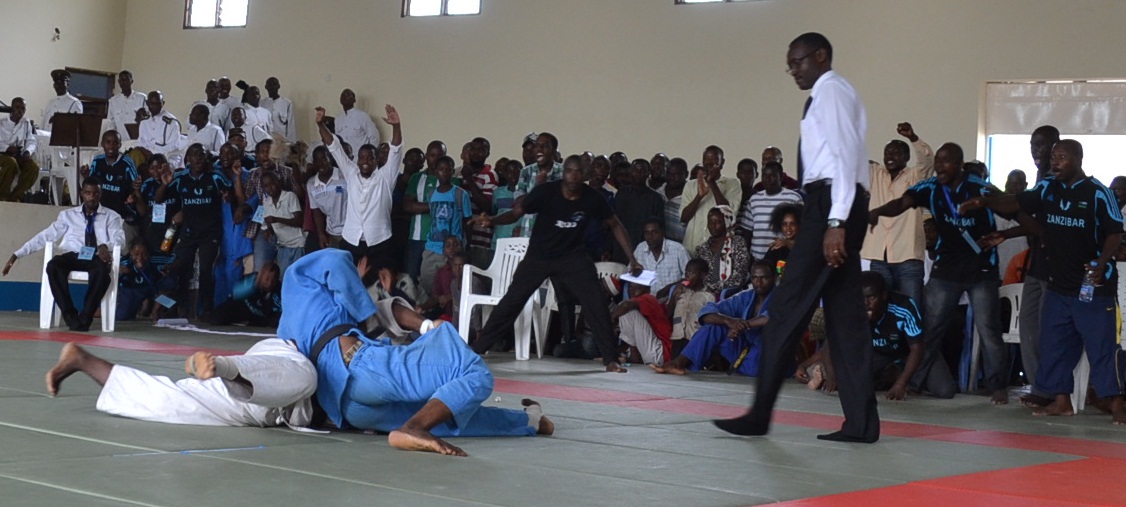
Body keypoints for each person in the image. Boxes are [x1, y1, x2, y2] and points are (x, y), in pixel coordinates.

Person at [714, 33, 877, 443]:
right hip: (837, 204)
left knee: (785, 311)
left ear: (821, 56)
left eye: (798, 62)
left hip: (832, 205)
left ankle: (759, 415)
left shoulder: (832, 92)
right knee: (846, 321)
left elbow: (842, 158)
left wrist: (836, 221)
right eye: (790, 65)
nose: (793, 71)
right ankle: (861, 424)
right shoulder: (833, 93)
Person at [279, 249, 554, 456]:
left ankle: (530, 420)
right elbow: (338, 263)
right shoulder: (299, 273)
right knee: (474, 371)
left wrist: (423, 324)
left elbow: (385, 312)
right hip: (360, 365)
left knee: (445, 414)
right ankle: (411, 429)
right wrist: (360, 296)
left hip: (346, 408)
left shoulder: (295, 320)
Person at [962, 139, 1126, 425]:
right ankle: (1061, 401)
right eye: (1053, 158)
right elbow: (1017, 205)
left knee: (1102, 348)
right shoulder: (1047, 188)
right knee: (1054, 346)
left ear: (1077, 159)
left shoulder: (1099, 193)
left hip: (1094, 287)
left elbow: (1114, 233)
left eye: (1061, 157)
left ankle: (1117, 404)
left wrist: (1102, 263)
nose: (1055, 163)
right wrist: (986, 202)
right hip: (1058, 285)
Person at [469, 155, 641, 373]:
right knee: (512, 300)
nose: (574, 176)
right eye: (569, 171)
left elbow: (615, 225)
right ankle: (477, 350)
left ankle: (610, 359)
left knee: (596, 301)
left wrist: (633, 259)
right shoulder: (546, 192)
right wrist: (491, 220)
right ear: (564, 173)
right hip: (539, 256)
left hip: (573, 257)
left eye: (578, 172)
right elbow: (516, 213)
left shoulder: (592, 198)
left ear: (585, 175)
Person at [868, 143, 1008, 404]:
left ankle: (998, 387)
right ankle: (916, 382)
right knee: (930, 329)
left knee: (989, 330)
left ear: (959, 164)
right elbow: (902, 203)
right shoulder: (929, 187)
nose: (940, 166)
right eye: (938, 161)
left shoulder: (979, 187)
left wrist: (1005, 233)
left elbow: (1009, 205)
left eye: (945, 161)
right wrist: (878, 211)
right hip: (946, 270)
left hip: (982, 270)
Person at [44, 338, 317, 427]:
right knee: (301, 379)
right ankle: (223, 366)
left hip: (276, 387)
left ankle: (81, 360)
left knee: (175, 401)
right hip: (290, 361)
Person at [3, 177, 125, 331]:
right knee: (53, 266)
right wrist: (17, 254)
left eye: (95, 193)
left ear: (100, 194)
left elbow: (120, 239)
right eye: (88, 193)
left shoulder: (111, 216)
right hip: (73, 255)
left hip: (96, 257)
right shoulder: (67, 215)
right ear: (82, 194)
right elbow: (46, 236)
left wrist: (105, 246)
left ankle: (86, 316)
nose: (91, 197)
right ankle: (70, 316)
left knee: (102, 273)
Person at [314, 104, 403, 269]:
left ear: (377, 160)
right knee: (351, 281)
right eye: (362, 158)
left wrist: (396, 126)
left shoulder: (385, 177)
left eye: (370, 158)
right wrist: (320, 124)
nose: (365, 162)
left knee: (378, 286)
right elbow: (334, 147)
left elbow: (396, 150)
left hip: (379, 241)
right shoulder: (351, 173)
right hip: (351, 240)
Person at [651, 261, 776, 377]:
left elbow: (772, 316)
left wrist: (742, 325)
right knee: (714, 327)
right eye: (755, 278)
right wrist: (728, 321)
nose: (758, 283)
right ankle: (678, 363)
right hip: (741, 348)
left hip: (767, 352)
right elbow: (708, 311)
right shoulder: (745, 297)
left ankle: (743, 367)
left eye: (764, 278)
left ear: (774, 278)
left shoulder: (782, 297)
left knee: (755, 366)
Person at [156, 143, 234, 316]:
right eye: (194, 155)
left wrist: (228, 196)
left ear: (206, 158)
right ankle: (177, 307)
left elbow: (230, 194)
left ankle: (207, 308)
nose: (198, 158)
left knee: (206, 269)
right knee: (182, 267)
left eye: (201, 155)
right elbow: (159, 199)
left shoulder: (215, 178)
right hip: (189, 232)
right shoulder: (180, 178)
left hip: (210, 232)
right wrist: (164, 184)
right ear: (188, 159)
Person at [861, 122, 934, 306]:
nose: (890, 157)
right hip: (879, 257)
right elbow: (852, 161)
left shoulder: (915, 176)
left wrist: (912, 137)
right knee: (879, 309)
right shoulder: (874, 174)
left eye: (896, 153)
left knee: (912, 308)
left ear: (907, 157)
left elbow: (928, 161)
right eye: (887, 153)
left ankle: (912, 337)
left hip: (908, 257)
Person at [82, 130, 141, 245]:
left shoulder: (127, 162)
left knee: (119, 248)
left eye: (115, 142)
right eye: (108, 142)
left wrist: (132, 195)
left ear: (120, 144)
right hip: (101, 213)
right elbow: (91, 185)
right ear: (102, 144)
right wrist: (86, 176)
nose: (111, 146)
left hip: (122, 214)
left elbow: (136, 186)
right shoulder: (97, 161)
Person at [679, 145, 742, 253]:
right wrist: (699, 196)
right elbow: (683, 218)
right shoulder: (691, 185)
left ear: (722, 162)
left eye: (714, 159)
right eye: (706, 159)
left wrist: (712, 183)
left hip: (719, 250)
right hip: (692, 249)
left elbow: (729, 215)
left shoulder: (732, 184)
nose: (709, 163)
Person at [744, 162, 803, 259]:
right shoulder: (754, 199)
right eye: (765, 175)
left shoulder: (793, 197)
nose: (767, 179)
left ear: (781, 177)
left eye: (772, 176)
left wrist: (786, 243)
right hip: (756, 258)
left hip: (782, 257)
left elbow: (801, 228)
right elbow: (747, 230)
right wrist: (748, 255)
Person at [613, 159, 666, 262]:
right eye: (635, 170)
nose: (638, 174)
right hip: (620, 247)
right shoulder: (621, 194)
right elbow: (614, 222)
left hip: (645, 248)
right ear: (630, 172)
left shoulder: (655, 198)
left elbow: (660, 227)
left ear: (648, 174)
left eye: (642, 171)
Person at [612, 277, 672, 365]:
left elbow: (626, 306)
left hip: (659, 352)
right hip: (652, 352)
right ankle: (632, 355)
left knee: (625, 310)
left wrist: (611, 320)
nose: (632, 290)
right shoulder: (639, 304)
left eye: (637, 287)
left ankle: (634, 357)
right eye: (631, 287)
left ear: (647, 289)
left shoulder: (649, 298)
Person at [205, 261, 283, 328]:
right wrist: (253, 286)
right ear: (261, 276)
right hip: (242, 308)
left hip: (260, 316)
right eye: (267, 279)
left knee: (277, 321)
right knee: (217, 317)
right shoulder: (252, 280)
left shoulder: (278, 289)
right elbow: (235, 294)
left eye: (273, 280)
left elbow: (279, 311)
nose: (269, 283)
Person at [694, 205, 750, 295]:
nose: (713, 226)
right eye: (710, 222)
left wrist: (713, 289)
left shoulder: (737, 243)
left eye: (718, 222)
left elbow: (739, 276)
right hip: (704, 293)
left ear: (727, 223)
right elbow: (698, 275)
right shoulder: (701, 249)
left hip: (730, 294)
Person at [664, 258, 715, 356]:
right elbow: (668, 314)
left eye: (692, 273)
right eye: (686, 272)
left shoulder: (708, 296)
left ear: (702, 276)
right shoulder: (680, 291)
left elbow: (709, 321)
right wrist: (674, 296)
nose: (687, 276)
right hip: (678, 336)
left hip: (694, 338)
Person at [261, 171, 305, 276]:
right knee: (284, 277)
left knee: (298, 276)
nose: (270, 188)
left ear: (278, 182)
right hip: (283, 245)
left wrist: (277, 219)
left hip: (298, 244)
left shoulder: (289, 196)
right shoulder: (267, 203)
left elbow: (300, 221)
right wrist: (268, 230)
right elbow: (268, 224)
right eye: (266, 186)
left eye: (272, 184)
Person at [634, 219, 690, 295]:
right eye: (647, 233)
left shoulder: (678, 250)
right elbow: (631, 272)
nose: (650, 237)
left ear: (662, 232)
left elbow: (689, 279)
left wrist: (668, 289)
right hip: (647, 300)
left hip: (672, 299)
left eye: (654, 232)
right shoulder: (640, 248)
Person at [307, 145, 348, 249]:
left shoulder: (344, 176)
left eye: (324, 158)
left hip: (350, 230)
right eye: (317, 160)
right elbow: (316, 213)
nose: (321, 163)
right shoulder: (311, 184)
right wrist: (321, 234)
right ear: (314, 163)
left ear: (330, 159)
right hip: (332, 232)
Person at [0, 97, 39, 201]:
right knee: (11, 163)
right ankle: (3, 195)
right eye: (17, 107)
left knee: (33, 167)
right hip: (3, 155)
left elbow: (31, 140)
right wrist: (7, 148)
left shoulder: (25, 123)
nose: (20, 110)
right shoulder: (2, 123)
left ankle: (16, 196)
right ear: (11, 108)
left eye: (23, 108)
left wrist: (27, 152)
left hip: (19, 155)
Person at [136, 91, 183, 168]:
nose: (155, 107)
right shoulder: (144, 122)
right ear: (147, 103)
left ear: (163, 103)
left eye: (158, 104)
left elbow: (174, 146)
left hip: (167, 159)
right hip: (148, 158)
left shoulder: (171, 122)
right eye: (152, 104)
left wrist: (153, 153)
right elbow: (141, 142)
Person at [761, 202, 802, 275]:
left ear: (799, 225)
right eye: (784, 224)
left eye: (792, 224)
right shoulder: (776, 248)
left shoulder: (807, 245)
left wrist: (787, 243)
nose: (788, 228)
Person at [336, 89, 379, 158]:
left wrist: (369, 156)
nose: (345, 98)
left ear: (354, 100)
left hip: (359, 160)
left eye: (348, 95)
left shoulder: (362, 116)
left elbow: (374, 137)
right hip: (344, 159)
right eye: (343, 96)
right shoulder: (338, 120)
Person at [107, 70, 147, 141]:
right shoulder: (113, 101)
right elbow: (111, 124)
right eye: (122, 80)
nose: (124, 82)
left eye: (126, 80)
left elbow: (147, 119)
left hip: (138, 141)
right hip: (120, 141)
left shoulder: (142, 98)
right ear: (119, 82)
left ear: (131, 81)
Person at [261, 77, 296, 142]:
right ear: (266, 87)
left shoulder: (287, 103)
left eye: (274, 84)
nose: (272, 87)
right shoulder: (261, 104)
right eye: (270, 85)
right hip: (265, 141)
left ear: (278, 86)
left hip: (282, 142)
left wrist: (291, 144)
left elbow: (291, 125)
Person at [663, 157, 688, 242]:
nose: (672, 177)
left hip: (683, 247)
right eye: (669, 173)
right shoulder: (658, 193)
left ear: (686, 174)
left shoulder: (691, 196)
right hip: (660, 247)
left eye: (676, 174)